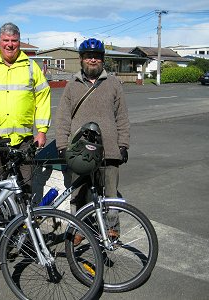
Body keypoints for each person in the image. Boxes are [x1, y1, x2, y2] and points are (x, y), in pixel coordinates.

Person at [55, 38, 130, 242]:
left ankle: (111, 229)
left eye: (97, 56)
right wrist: (62, 145)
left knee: (110, 194)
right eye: (89, 57)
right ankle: (80, 229)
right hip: (80, 151)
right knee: (79, 194)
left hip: (109, 150)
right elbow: (62, 117)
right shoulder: (72, 86)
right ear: (81, 59)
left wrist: (123, 144)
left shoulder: (113, 83)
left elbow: (121, 116)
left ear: (102, 59)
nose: (93, 60)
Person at [0, 22, 51, 190]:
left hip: (24, 141)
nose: (10, 44)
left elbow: (43, 97)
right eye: (6, 40)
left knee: (26, 186)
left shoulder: (30, 67)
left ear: (19, 42)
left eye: (14, 40)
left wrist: (42, 131)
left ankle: (25, 217)